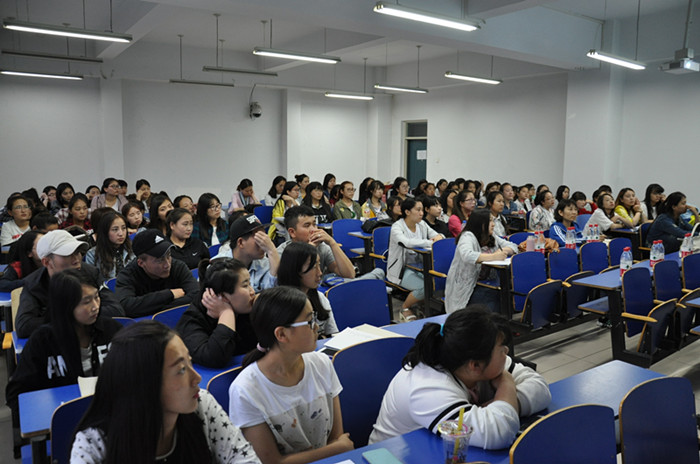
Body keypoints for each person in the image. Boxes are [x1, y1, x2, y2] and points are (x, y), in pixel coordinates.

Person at [70, 321, 260, 464]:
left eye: (190, 362)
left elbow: (245, 459)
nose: (197, 378)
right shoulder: (94, 442)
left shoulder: (202, 404)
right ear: (145, 384)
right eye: (181, 370)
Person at [369, 307, 551, 449]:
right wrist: (507, 384)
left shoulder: (468, 359)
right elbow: (500, 432)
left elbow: (540, 388)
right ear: (475, 365)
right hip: (394, 456)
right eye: (501, 348)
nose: (507, 351)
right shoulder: (428, 387)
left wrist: (501, 405)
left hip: (437, 449)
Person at [228, 287, 352, 463]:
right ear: (281, 334)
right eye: (309, 322)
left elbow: (336, 437)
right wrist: (338, 448)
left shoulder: (321, 364)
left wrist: (337, 448)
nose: (316, 327)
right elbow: (272, 462)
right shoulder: (246, 389)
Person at [5, 269, 123, 415]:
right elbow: (16, 395)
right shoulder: (42, 341)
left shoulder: (112, 330)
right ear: (66, 306)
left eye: (97, 297)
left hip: (110, 411)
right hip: (64, 413)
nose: (95, 306)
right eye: (86, 302)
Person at [14, 230, 123, 338]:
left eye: (77, 252)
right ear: (47, 262)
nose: (76, 259)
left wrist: (80, 314)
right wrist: (75, 315)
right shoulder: (34, 284)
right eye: (67, 254)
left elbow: (116, 309)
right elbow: (24, 326)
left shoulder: (91, 273)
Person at [176, 258, 256, 367]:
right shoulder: (191, 322)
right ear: (222, 296)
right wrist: (226, 313)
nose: (252, 291)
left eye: (250, 283)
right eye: (245, 285)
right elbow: (215, 357)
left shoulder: (246, 308)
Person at [445, 210, 518, 314]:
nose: (493, 224)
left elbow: (513, 246)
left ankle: (503, 321)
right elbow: (467, 255)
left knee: (506, 293)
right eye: (490, 221)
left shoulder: (491, 236)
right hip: (469, 286)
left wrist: (504, 251)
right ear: (481, 223)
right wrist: (493, 256)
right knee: (493, 298)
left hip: (488, 282)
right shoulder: (467, 236)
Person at [115, 230, 199, 317]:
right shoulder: (127, 275)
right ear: (141, 263)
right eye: (159, 260)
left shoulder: (178, 267)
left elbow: (197, 295)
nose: (167, 264)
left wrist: (158, 308)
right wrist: (169, 294)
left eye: (168, 255)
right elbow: (125, 307)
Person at [388, 197, 443, 321]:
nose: (422, 213)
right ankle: (405, 307)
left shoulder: (421, 224)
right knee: (425, 286)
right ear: (407, 212)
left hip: (420, 266)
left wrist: (439, 237)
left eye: (422, 210)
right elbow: (406, 242)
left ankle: (421, 304)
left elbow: (439, 236)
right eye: (418, 210)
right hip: (402, 269)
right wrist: (429, 242)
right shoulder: (397, 227)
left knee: (436, 282)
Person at [277, 206, 358, 280]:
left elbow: (349, 275)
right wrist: (309, 250)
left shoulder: (322, 247)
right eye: (307, 225)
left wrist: (332, 243)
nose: (314, 229)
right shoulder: (282, 253)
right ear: (292, 232)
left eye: (314, 224)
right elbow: (294, 282)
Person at [277, 242, 338, 337]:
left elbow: (332, 335)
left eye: (319, 265)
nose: (320, 273)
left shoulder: (320, 298)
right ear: (295, 269)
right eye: (313, 267)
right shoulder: (279, 305)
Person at [214, 214, 280, 292]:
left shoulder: (264, 263)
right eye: (259, 237)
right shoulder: (217, 268)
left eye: (264, 236)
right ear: (240, 242)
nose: (265, 243)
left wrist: (272, 251)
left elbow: (274, 292)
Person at [85, 211, 135, 281]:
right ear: (105, 232)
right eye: (115, 229)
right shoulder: (92, 254)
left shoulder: (132, 248)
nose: (121, 233)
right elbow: (90, 282)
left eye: (123, 228)